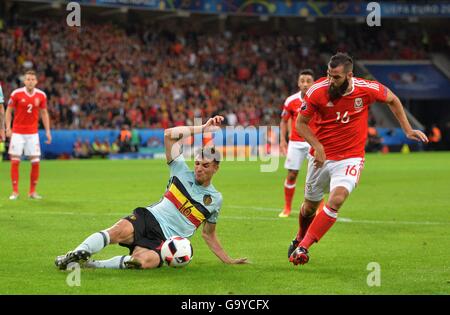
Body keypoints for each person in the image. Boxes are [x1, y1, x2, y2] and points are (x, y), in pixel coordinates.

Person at [288, 53, 428, 265]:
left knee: (337, 199)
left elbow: (393, 99)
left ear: (349, 75)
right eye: (328, 74)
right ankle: (299, 236)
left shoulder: (367, 89)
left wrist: (407, 129)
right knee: (309, 207)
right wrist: (317, 147)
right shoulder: (317, 91)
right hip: (321, 158)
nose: (330, 80)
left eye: (335, 77)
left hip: (351, 158)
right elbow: (300, 123)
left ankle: (303, 248)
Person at [55, 116, 247, 270]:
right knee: (117, 232)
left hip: (166, 241)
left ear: (216, 168)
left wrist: (227, 260)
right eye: (197, 163)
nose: (199, 168)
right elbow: (169, 134)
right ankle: (75, 254)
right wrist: (203, 128)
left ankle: (92, 266)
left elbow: (209, 235)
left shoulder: (215, 200)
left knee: (145, 261)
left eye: (205, 165)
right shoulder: (180, 170)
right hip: (149, 217)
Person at [5, 70, 52, 200]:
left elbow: (44, 113)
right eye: (28, 79)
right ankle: (15, 191)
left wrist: (48, 131)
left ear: (36, 81)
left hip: (32, 133)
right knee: (15, 160)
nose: (30, 81)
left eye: (32, 79)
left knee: (35, 161)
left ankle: (32, 192)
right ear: (24, 81)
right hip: (18, 132)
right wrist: (7, 128)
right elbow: (8, 111)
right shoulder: (16, 94)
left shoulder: (41, 95)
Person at [279, 69, 316, 218]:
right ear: (298, 83)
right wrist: (282, 139)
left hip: (314, 142)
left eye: (308, 81)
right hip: (295, 142)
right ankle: (287, 208)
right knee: (292, 174)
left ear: (313, 83)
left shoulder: (319, 99)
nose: (305, 84)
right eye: (302, 81)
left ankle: (319, 207)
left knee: (316, 176)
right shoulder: (290, 100)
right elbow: (283, 120)